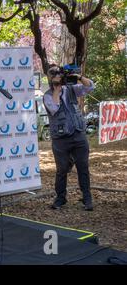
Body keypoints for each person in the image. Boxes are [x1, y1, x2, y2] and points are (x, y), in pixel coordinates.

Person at [43, 64, 95, 211]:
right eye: (52, 73)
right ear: (49, 77)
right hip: (60, 139)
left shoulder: (72, 88)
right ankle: (60, 198)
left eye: (58, 73)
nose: (56, 75)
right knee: (62, 169)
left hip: (78, 134)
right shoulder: (47, 95)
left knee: (83, 167)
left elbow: (90, 87)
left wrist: (78, 77)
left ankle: (87, 198)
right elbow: (54, 108)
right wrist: (57, 89)